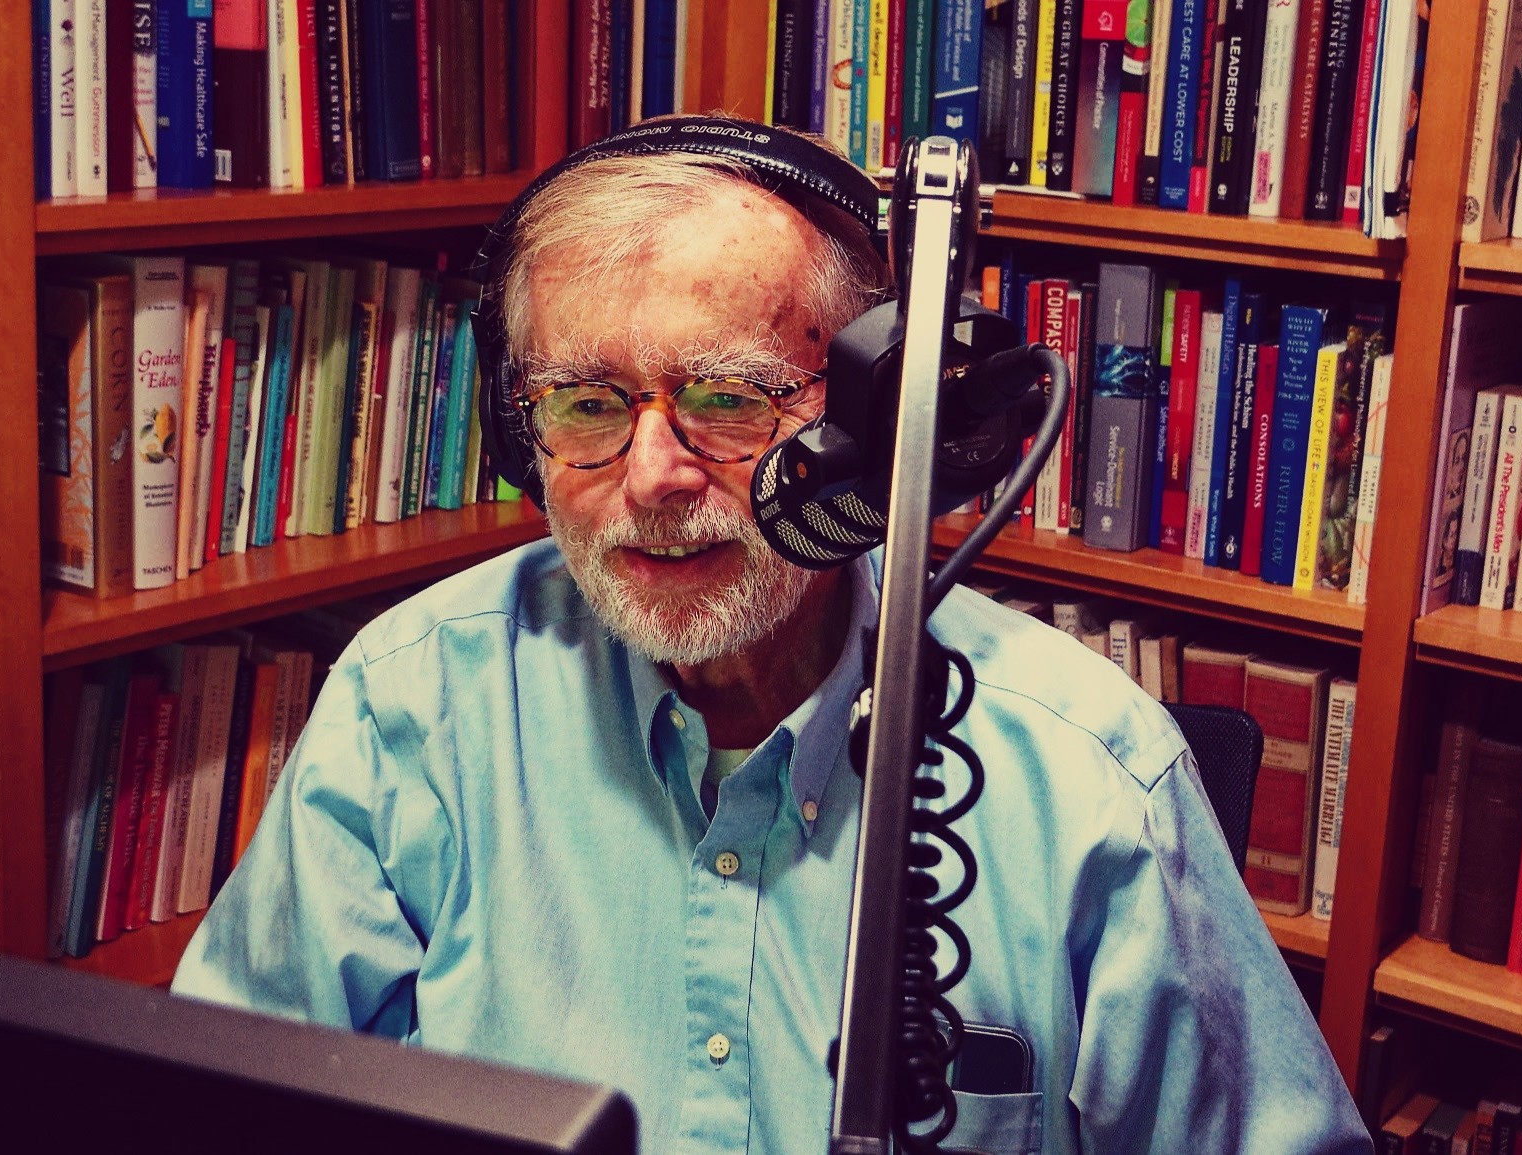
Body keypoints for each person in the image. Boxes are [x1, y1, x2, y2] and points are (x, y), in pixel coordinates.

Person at [172, 118, 1373, 1155]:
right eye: (586, 403)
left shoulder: (1087, 769)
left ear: (866, 424)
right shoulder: (411, 703)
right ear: (514, 427)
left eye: (726, 399)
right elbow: (214, 1107)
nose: (651, 476)